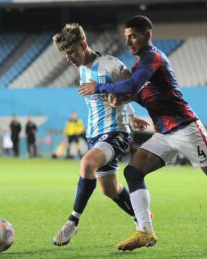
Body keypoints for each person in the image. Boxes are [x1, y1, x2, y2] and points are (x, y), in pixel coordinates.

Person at [79, 15, 207, 252]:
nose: (130, 42)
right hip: (164, 133)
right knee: (133, 171)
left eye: (134, 36)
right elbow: (138, 93)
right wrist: (120, 98)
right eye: (126, 38)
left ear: (148, 36)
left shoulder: (153, 58)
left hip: (186, 129)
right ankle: (145, 231)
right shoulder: (137, 67)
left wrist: (101, 87)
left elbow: (133, 86)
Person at [51, 23, 149, 246]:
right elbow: (117, 94)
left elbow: (133, 90)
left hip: (116, 132)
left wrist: (128, 116)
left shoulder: (111, 65)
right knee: (109, 189)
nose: (70, 59)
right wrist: (131, 113)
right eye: (66, 55)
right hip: (95, 135)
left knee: (86, 164)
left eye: (73, 53)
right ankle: (141, 217)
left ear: (84, 45)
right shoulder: (82, 68)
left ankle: (72, 222)